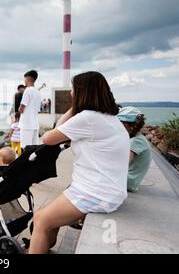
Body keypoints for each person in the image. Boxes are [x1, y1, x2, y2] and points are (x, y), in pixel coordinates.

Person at [28, 71, 130, 254]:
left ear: (83, 92)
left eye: (74, 90)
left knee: (41, 219)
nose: (70, 93)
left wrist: (75, 107)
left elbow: (49, 138)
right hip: (107, 189)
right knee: (49, 214)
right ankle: (42, 245)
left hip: (97, 193)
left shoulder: (88, 118)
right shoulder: (110, 119)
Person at [117, 107, 152, 192]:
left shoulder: (136, 141)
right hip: (130, 180)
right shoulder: (138, 138)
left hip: (128, 181)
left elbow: (122, 164)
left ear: (126, 125)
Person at [18, 70, 42, 149]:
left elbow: (21, 108)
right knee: (34, 147)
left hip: (26, 124)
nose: (24, 81)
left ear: (27, 79)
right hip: (35, 123)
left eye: (24, 79)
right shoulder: (38, 92)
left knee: (25, 147)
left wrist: (19, 109)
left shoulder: (27, 91)